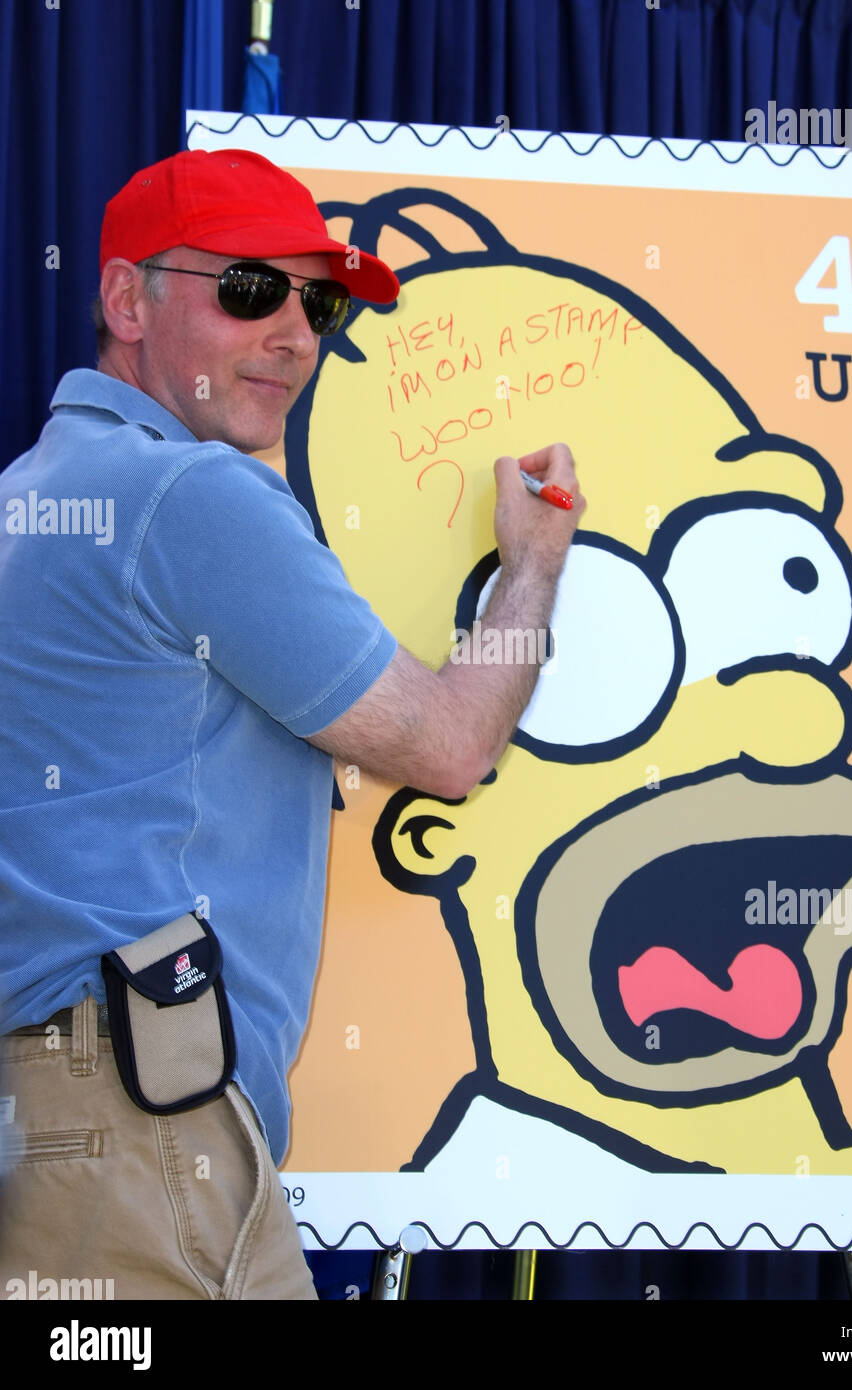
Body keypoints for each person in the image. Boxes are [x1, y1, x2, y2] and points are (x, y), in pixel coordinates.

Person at [0, 148, 584, 1300]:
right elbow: (450, 745)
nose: (295, 337)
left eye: (313, 303)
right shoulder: (189, 496)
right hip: (139, 1118)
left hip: (87, 1116)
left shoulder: (34, 493)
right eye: (250, 291)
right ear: (128, 299)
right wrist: (533, 565)